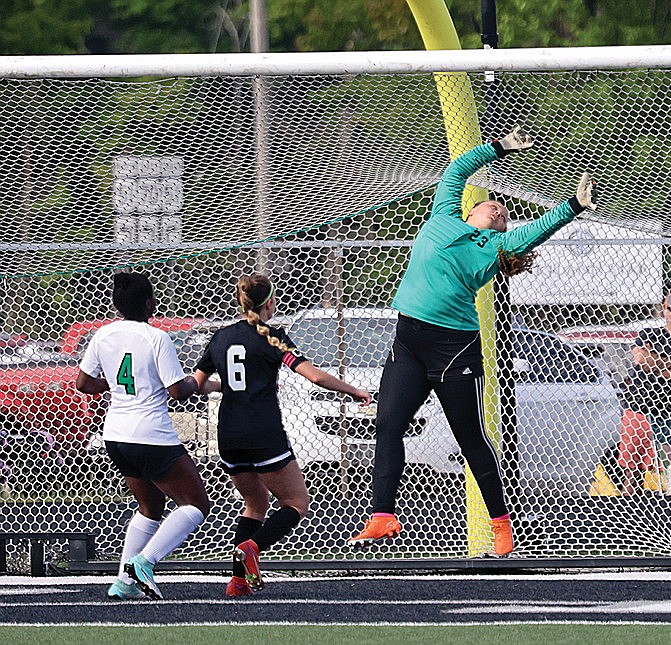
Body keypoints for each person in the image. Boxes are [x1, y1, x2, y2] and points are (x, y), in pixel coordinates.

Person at [347, 127, 598, 556]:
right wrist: (499, 147)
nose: (499, 209)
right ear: (472, 207)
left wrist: (573, 206)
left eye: (503, 215)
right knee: (388, 424)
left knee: (472, 439)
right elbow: (458, 169)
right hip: (408, 339)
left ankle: (501, 526)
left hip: (454, 348)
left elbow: (538, 228)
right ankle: (382, 516)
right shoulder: (443, 212)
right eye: (494, 206)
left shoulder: (497, 245)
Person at [192, 274, 371, 596]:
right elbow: (313, 376)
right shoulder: (273, 337)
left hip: (229, 435)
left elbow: (199, 383)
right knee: (296, 502)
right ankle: (252, 547)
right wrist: (353, 390)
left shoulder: (220, 337)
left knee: (254, 504)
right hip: (263, 433)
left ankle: (237, 582)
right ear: (269, 302)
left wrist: (226, 386)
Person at [75, 272, 209, 601]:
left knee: (150, 505)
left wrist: (116, 386)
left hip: (116, 435)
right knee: (196, 505)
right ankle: (144, 563)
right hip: (151, 435)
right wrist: (198, 381)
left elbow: (83, 384)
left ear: (117, 304)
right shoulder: (157, 337)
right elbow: (178, 391)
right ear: (150, 303)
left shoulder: (102, 334)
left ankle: (123, 582)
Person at [616, 293, 671, 494]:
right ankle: (629, 514)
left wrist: (655, 364)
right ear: (665, 311)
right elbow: (640, 359)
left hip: (669, 413)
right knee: (633, 470)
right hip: (639, 409)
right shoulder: (648, 334)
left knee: (670, 468)